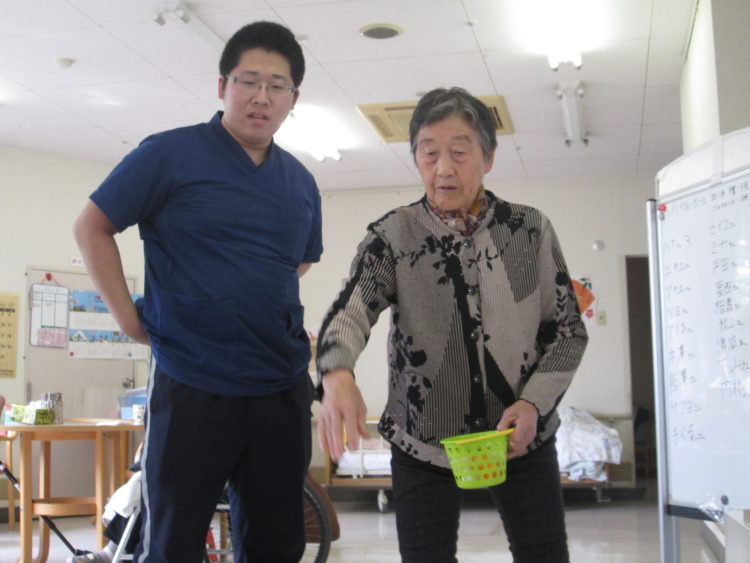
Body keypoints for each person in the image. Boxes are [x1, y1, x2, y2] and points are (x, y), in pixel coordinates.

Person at [73, 21, 322, 562]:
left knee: (278, 543)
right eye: (248, 80)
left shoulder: (300, 182)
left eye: (277, 85)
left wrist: (248, 299)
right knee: (173, 541)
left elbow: (297, 261)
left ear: (293, 98)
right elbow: (92, 226)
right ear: (222, 86)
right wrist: (128, 319)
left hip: (279, 386)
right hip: (193, 382)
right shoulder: (169, 154)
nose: (262, 96)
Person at [316, 87, 588, 562]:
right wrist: (336, 372)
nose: (443, 168)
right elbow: (351, 308)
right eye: (429, 153)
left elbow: (568, 331)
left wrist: (534, 403)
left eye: (460, 153)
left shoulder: (530, 231)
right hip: (422, 442)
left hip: (520, 438)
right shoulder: (393, 236)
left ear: (488, 157)